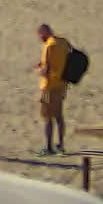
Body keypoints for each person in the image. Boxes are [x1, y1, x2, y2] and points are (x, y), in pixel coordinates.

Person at [35, 24, 71, 154]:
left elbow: (46, 69)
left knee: (48, 117)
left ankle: (49, 147)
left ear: (44, 33)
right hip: (61, 85)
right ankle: (61, 144)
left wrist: (39, 70)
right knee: (59, 116)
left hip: (49, 86)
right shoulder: (64, 43)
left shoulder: (49, 46)